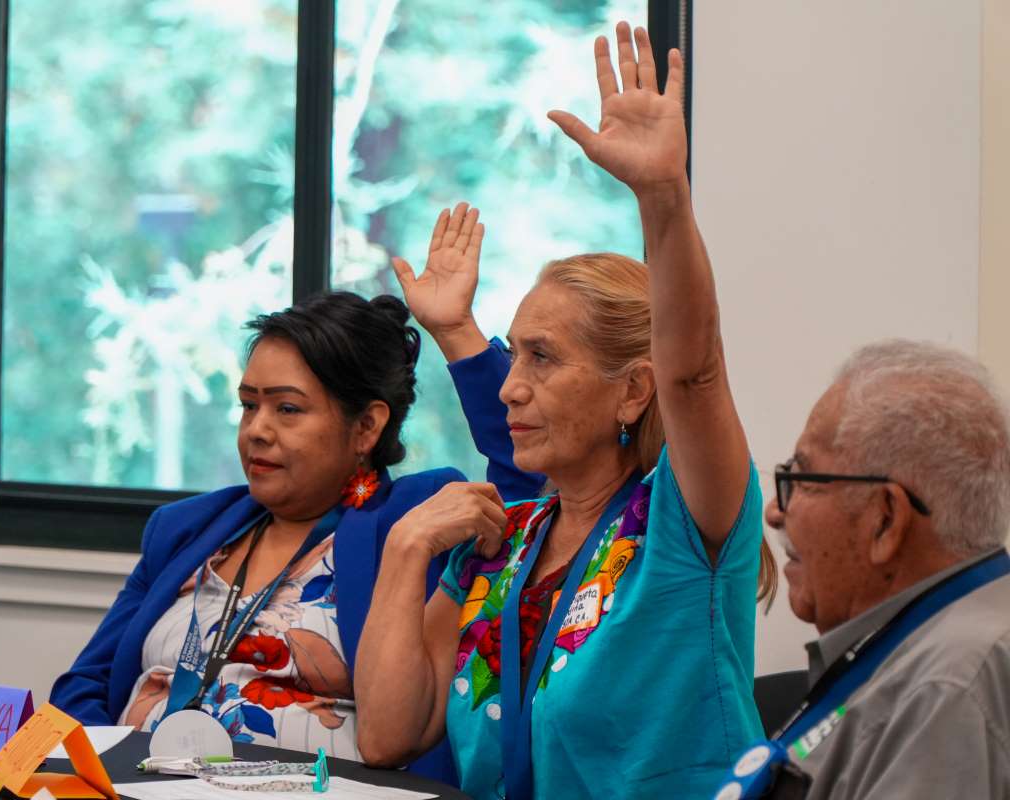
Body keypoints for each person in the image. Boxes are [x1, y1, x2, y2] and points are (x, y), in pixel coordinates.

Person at [355, 23, 775, 799]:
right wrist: (407, 546)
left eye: (542, 358)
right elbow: (384, 737)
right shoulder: (500, 541)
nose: (512, 386)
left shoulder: (683, 527)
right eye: (513, 354)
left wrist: (662, 197)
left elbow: (697, 375)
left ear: (633, 389)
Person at [51, 291, 540, 779]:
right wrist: (105, 777)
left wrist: (455, 332)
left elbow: (524, 477)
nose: (256, 430)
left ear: (367, 426)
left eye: (287, 409)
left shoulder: (413, 517)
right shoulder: (185, 527)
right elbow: (85, 684)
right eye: (248, 406)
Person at [715, 340, 1010, 799]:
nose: (774, 511)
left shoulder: (944, 690)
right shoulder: (942, 647)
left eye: (802, 479)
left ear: (885, 518)